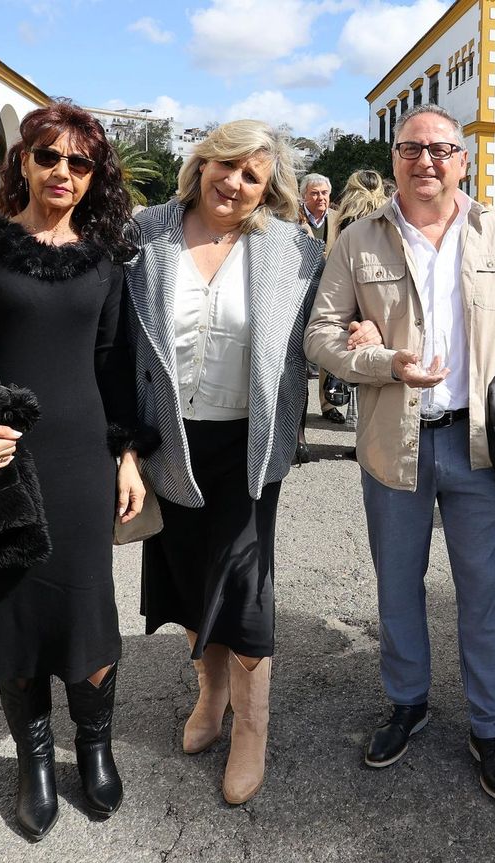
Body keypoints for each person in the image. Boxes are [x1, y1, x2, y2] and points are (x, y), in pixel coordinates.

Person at [0, 102, 152, 840]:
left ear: (94, 175)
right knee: (12, 611)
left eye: (80, 163)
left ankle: (95, 745)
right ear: (22, 160)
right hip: (0, 462)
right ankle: (36, 760)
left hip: (83, 461)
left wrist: (129, 456)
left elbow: (117, 366)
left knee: (85, 606)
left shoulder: (105, 257)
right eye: (49, 156)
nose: (62, 173)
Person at [305, 105, 495, 804]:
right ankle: (408, 701)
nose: (427, 162)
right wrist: (382, 361)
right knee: (398, 585)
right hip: (395, 441)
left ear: (462, 160)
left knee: (484, 594)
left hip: (478, 445)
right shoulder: (358, 240)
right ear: (395, 161)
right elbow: (320, 336)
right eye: (412, 149)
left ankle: (492, 725)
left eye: (441, 150)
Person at [127, 120, 339, 805]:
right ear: (202, 165)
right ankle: (210, 693)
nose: (234, 183)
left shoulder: (294, 251)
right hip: (169, 437)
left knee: (242, 584)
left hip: (246, 444)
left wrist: (359, 333)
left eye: (252, 175)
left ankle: (253, 727)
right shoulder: (146, 233)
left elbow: (323, 330)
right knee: (187, 575)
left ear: (267, 187)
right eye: (225, 166)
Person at [316, 169, 389, 426]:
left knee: (348, 352)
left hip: (353, 298)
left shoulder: (347, 219)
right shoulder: (387, 213)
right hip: (383, 300)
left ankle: (350, 413)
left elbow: (340, 258)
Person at [299, 172, 340, 251]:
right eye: (315, 193)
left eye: (324, 193)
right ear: (303, 196)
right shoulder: (292, 218)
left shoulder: (339, 219)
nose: (321, 197)